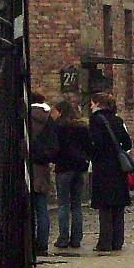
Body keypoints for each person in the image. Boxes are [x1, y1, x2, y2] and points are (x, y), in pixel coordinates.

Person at [89, 93, 132, 252]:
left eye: (92, 103)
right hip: (118, 168)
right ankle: (117, 241)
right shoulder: (118, 120)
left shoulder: (96, 120)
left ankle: (105, 242)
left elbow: (95, 143)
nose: (91, 106)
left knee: (105, 207)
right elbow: (127, 142)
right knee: (118, 207)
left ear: (99, 104)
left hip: (103, 168)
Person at [53, 100, 91, 249]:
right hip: (80, 167)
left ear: (61, 111)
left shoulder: (58, 127)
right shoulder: (82, 127)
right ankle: (76, 239)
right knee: (76, 204)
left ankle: (63, 238)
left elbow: (54, 147)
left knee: (63, 204)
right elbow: (89, 147)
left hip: (63, 167)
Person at [29, 92, 59, 256]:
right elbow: (54, 146)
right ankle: (42, 244)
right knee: (42, 209)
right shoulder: (49, 120)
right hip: (42, 168)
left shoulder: (24, 116)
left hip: (26, 167)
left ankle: (27, 244)